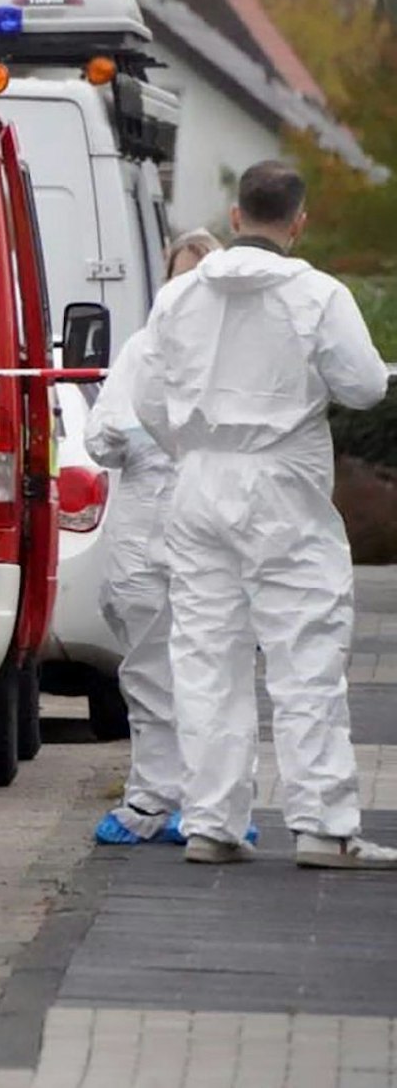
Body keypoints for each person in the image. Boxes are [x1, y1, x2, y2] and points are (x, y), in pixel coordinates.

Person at [134, 161, 395, 868]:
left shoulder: (180, 298)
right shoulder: (318, 295)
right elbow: (367, 388)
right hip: (282, 484)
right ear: (299, 221)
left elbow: (149, 399)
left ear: (236, 216)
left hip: (199, 482)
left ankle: (213, 822)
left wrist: (191, 448)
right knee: (305, 651)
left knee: (206, 656)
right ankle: (322, 825)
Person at [86, 228, 219, 845]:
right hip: (143, 536)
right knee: (146, 674)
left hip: (210, 533)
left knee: (210, 674)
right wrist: (136, 437)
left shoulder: (233, 354)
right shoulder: (144, 349)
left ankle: (208, 804)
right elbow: (100, 433)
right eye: (181, 276)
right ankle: (150, 799)